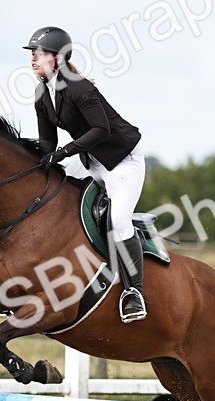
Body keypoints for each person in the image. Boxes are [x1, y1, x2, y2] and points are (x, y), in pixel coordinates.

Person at [24, 25, 149, 323]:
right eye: (32, 53)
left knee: (118, 220)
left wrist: (65, 153)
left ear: (58, 58)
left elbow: (101, 129)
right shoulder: (43, 93)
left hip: (121, 160)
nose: (32, 59)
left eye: (38, 53)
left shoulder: (80, 87)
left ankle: (135, 292)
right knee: (47, 187)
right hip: (90, 158)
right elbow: (47, 144)